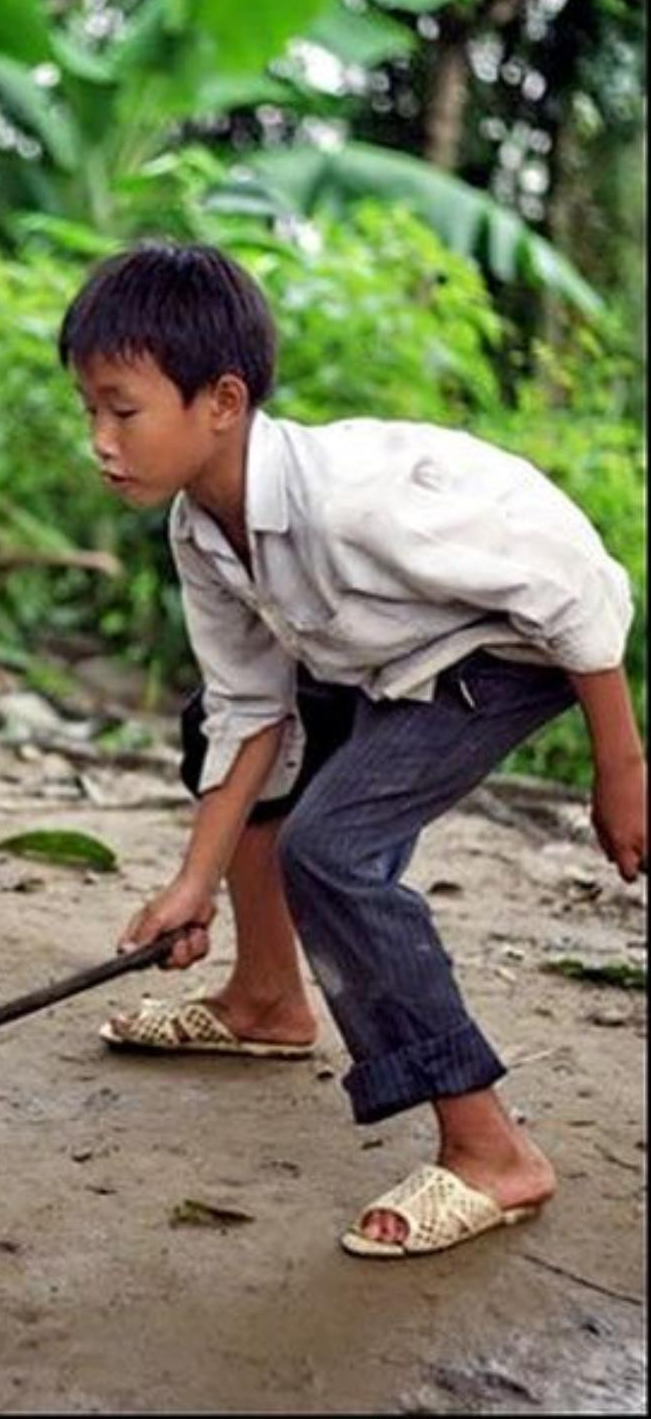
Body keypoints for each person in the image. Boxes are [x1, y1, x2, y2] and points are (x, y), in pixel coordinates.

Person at [57, 240, 645, 1258]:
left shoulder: (356, 500)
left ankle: (491, 1151)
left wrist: (622, 770)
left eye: (123, 409)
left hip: (502, 660)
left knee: (330, 852)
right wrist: (191, 883)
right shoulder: (203, 531)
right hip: (384, 661)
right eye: (90, 412)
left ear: (222, 402)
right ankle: (267, 1001)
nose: (101, 441)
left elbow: (572, 593)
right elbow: (250, 709)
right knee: (215, 725)